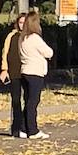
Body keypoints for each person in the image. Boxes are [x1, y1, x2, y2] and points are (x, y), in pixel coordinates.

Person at [18, 9, 53, 140]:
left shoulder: (22, 38)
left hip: (25, 70)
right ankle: (33, 130)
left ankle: (23, 128)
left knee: (27, 101)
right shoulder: (35, 38)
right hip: (35, 72)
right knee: (33, 102)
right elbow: (48, 52)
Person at [0, 13, 28, 137]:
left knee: (28, 100)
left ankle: (25, 126)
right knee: (16, 100)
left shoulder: (31, 36)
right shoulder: (11, 36)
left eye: (24, 22)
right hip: (14, 72)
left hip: (28, 71)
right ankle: (16, 128)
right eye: (20, 22)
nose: (22, 25)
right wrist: (4, 69)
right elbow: (5, 53)